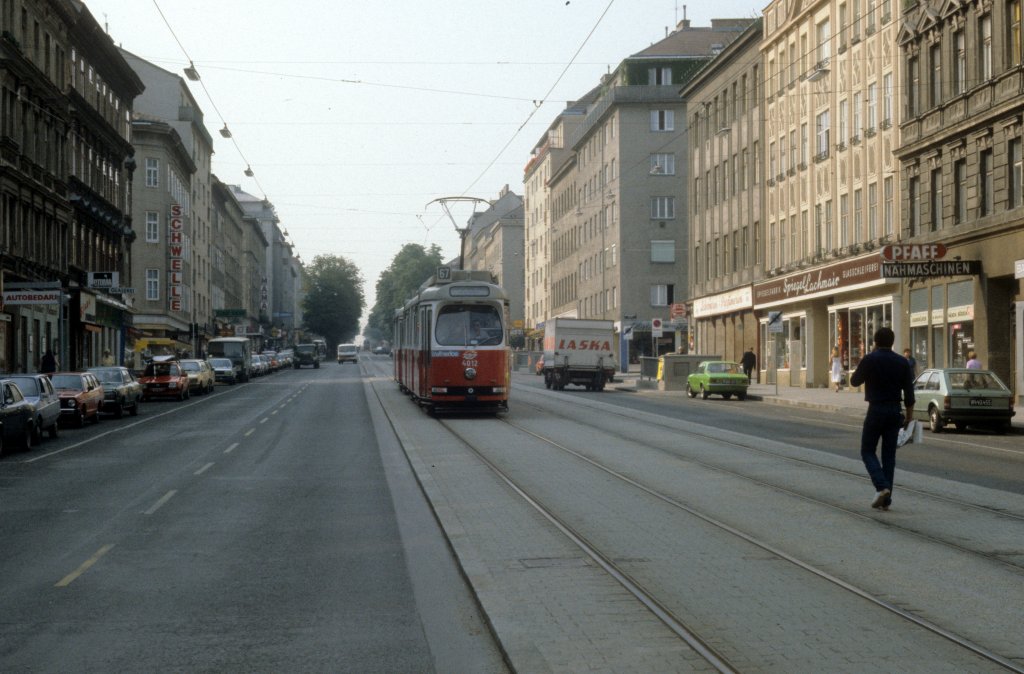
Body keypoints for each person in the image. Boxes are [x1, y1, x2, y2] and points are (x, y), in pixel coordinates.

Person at [849, 327, 915, 511]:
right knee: (889, 455)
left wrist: (868, 362)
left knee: (867, 450)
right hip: (895, 411)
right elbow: (909, 394)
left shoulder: (871, 359)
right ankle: (886, 499)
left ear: (875, 342)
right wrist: (909, 418)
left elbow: (854, 381)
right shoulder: (902, 362)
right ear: (892, 342)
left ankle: (881, 486)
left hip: (876, 409)